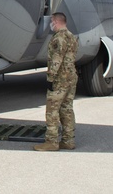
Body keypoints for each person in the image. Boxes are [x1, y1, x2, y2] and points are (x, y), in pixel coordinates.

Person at [35, 12, 78, 151]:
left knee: (52, 110)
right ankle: (68, 140)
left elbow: (57, 59)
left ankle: (51, 142)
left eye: (52, 21)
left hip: (60, 79)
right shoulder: (72, 36)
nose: (51, 25)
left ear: (56, 21)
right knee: (67, 109)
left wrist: (51, 77)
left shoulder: (58, 38)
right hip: (71, 77)